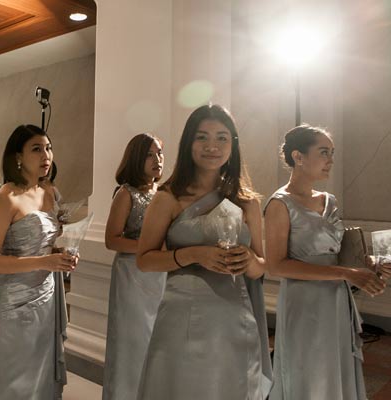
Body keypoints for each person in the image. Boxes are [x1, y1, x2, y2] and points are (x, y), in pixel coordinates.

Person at [136, 104, 272, 400]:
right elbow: (144, 260)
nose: (213, 146)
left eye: (222, 137)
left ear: (233, 145)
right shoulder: (169, 198)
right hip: (182, 318)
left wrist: (249, 260)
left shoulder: (248, 202)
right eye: (202, 137)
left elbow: (261, 267)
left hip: (235, 320)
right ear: (189, 143)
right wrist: (194, 255)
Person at [264, 124, 387, 400]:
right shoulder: (280, 204)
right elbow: (276, 265)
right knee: (309, 370)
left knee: (335, 369)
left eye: (332, 152)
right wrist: (347, 273)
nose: (331, 160)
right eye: (323, 152)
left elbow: (337, 252)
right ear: (298, 156)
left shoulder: (329, 200)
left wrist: (369, 264)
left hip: (336, 300)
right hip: (304, 303)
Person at [0, 125, 77, 399]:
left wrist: (62, 254)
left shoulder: (50, 193)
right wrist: (44, 261)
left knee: (40, 377)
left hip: (47, 298)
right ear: (18, 157)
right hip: (13, 301)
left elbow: (46, 244)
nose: (46, 155)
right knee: (15, 380)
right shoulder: (6, 197)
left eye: (48, 148)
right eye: (37, 149)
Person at [102, 133, 166, 400]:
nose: (157, 159)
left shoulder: (163, 193)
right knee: (133, 341)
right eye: (150, 154)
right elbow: (111, 240)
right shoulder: (126, 193)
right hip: (132, 275)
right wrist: (149, 247)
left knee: (156, 342)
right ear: (137, 158)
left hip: (160, 274)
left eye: (159, 153)